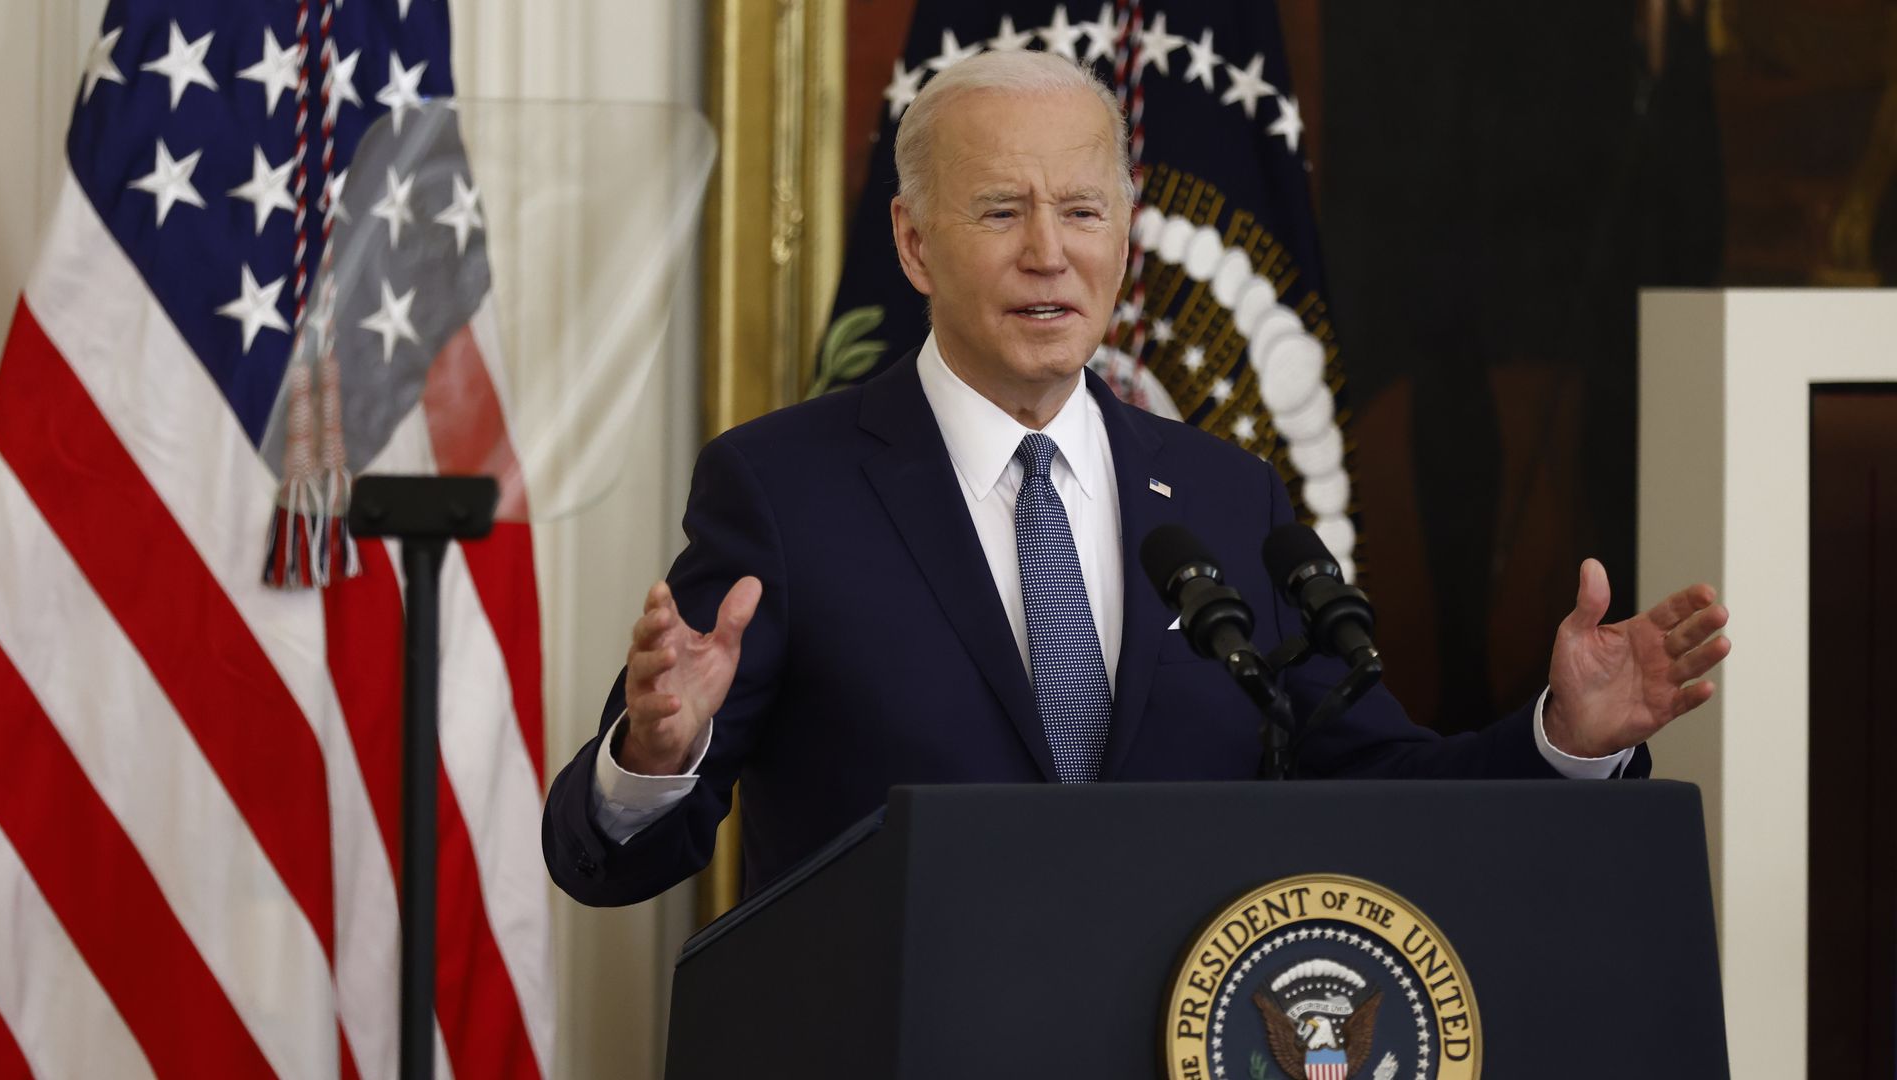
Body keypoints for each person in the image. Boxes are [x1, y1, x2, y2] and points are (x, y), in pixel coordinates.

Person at [541, 50, 1730, 907]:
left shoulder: (1228, 498)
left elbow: (1383, 787)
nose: (1047, 252)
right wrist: (654, 756)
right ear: (912, 243)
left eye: (1082, 210)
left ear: (1124, 233)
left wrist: (1563, 735)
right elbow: (617, 861)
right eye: (1000, 209)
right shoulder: (783, 491)